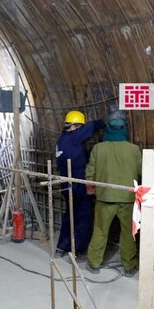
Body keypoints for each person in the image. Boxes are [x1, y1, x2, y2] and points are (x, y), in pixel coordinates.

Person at [85, 110, 141, 277]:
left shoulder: (98, 149)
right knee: (128, 234)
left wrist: (91, 190)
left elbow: (90, 172)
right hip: (128, 199)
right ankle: (129, 266)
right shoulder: (134, 149)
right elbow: (141, 171)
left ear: (108, 128)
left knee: (100, 231)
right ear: (124, 128)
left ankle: (94, 263)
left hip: (105, 198)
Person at [55, 111, 104, 260]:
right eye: (79, 127)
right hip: (77, 182)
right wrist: (104, 122)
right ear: (75, 126)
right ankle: (78, 250)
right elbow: (90, 127)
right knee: (83, 214)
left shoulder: (62, 140)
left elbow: (79, 155)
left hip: (65, 182)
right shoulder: (73, 137)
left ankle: (61, 246)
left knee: (70, 213)